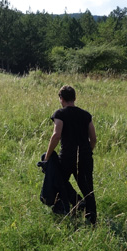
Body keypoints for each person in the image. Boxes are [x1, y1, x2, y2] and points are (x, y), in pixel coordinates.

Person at [43, 85, 97, 224]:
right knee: (88, 189)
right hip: (84, 157)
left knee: (59, 181)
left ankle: (70, 205)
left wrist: (47, 157)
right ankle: (91, 219)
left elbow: (56, 135)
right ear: (74, 98)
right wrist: (87, 152)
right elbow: (93, 138)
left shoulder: (60, 114)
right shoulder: (86, 115)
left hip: (67, 157)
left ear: (61, 98)